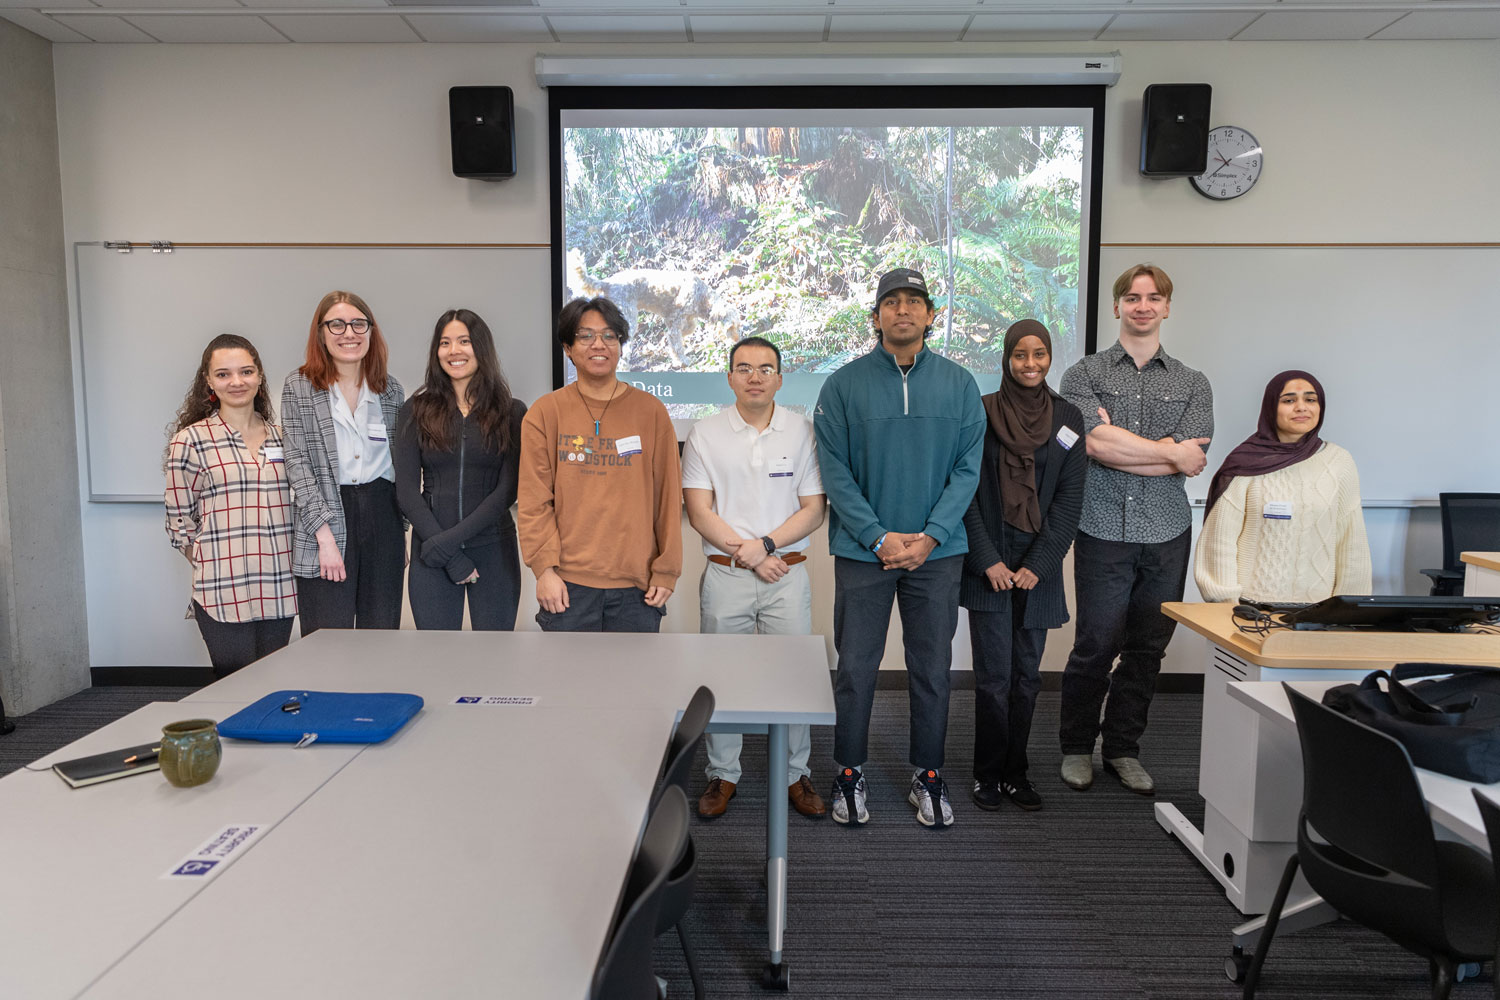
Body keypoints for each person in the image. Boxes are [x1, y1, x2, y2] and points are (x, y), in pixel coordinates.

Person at [815, 268, 984, 828]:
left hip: (937, 555)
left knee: (932, 668)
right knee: (855, 668)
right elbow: (834, 470)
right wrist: (878, 536)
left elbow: (967, 470)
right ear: (877, 315)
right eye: (893, 302)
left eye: (915, 301)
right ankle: (848, 770)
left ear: (931, 315)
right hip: (865, 553)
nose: (904, 310)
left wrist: (931, 535)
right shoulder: (842, 385)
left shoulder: (960, 385)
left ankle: (928, 774)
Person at [1056, 263, 1213, 796]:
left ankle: (1123, 749)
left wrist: (1127, 445)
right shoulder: (1084, 375)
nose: (1142, 306)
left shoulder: (1194, 382)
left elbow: (1192, 461)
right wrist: (1166, 450)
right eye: (1132, 297)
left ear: (1167, 306)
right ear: (1116, 306)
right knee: (1095, 644)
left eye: (1153, 297)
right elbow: (1093, 446)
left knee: (1148, 648)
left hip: (1167, 531)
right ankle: (1077, 747)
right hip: (1101, 526)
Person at [683, 336, 828, 820]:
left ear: (781, 378)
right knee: (722, 677)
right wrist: (749, 556)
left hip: (787, 573)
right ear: (729, 377)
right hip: (726, 577)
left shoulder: (802, 431)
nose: (755, 376)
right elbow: (699, 512)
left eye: (766, 368)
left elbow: (814, 510)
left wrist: (765, 547)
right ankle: (722, 774)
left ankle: (795, 773)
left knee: (793, 677)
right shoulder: (705, 432)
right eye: (744, 368)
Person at [961, 320, 1087, 813]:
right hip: (988, 559)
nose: (1030, 364)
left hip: (1041, 563)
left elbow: (1070, 499)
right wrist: (987, 558)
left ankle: (1017, 773)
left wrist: (1040, 562)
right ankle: (987, 774)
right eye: (1020, 355)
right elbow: (965, 490)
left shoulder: (1069, 418)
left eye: (1039, 354)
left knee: (1027, 677)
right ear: (1006, 359)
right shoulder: (982, 412)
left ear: (1049, 357)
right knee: (993, 677)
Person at [518, 297, 682, 632]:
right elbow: (534, 501)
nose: (599, 345)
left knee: (634, 685)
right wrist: (544, 571)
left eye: (610, 336)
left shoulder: (651, 412)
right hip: (567, 586)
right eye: (585, 336)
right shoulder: (545, 413)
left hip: (637, 588)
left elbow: (667, 498)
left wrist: (667, 570)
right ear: (567, 347)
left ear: (620, 345)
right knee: (565, 685)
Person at [164, 334, 297, 676]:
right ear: (208, 381)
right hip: (222, 590)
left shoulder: (284, 437)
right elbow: (179, 520)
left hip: (279, 585)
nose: (237, 382)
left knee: (272, 687)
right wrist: (212, 559)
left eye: (246, 372)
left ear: (260, 376)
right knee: (234, 688)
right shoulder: (190, 441)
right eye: (223, 374)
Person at [281, 291, 406, 635]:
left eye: (358, 324)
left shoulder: (391, 390)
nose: (348, 333)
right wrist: (324, 536)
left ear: (371, 331)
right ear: (321, 332)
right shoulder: (300, 386)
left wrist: (400, 534)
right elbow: (298, 462)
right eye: (336, 324)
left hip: (383, 517)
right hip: (326, 514)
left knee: (379, 634)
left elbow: (401, 465)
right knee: (327, 639)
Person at [394, 309, 528, 630]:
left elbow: (507, 489)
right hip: (433, 552)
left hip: (494, 550)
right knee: (437, 665)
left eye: (464, 341)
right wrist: (447, 552)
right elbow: (407, 491)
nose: (454, 351)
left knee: (495, 660)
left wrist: (450, 543)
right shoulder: (416, 410)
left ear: (481, 347)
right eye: (445, 342)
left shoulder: (511, 411)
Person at [1195, 371, 1370, 604]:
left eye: (1310, 399)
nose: (1301, 407)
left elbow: (1352, 542)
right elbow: (1219, 542)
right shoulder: (1245, 462)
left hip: (1318, 615)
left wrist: (1350, 610)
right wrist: (1227, 607)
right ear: (1270, 407)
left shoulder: (1338, 461)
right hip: (1248, 611)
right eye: (1289, 400)